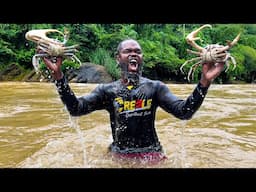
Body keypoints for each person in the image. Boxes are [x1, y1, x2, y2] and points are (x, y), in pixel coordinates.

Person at [40, 38, 225, 165]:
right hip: (119, 155)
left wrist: (204, 82)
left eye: (138, 51)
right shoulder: (107, 91)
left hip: (152, 155)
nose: (133, 54)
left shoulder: (155, 88)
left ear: (142, 58)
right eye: (127, 51)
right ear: (118, 58)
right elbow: (76, 109)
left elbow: (184, 111)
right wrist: (58, 75)